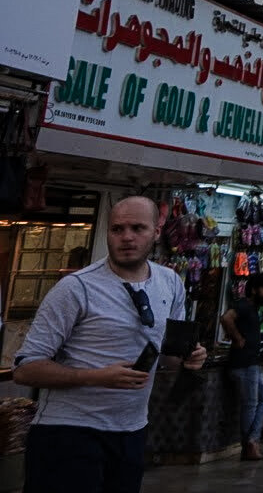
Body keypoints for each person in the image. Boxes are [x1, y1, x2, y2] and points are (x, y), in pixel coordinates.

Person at [14, 194, 208, 493]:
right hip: (69, 432)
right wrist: (96, 377)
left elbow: (168, 358)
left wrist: (190, 358)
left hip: (131, 431)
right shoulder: (76, 288)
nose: (126, 237)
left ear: (156, 232)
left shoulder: (170, 282)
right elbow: (25, 369)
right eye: (117, 229)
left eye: (137, 228)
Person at [221, 271, 263, 461]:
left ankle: (252, 440)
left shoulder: (252, 308)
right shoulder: (243, 305)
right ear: (253, 290)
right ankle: (250, 445)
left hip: (252, 363)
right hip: (244, 364)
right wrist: (237, 338)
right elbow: (226, 318)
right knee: (251, 404)